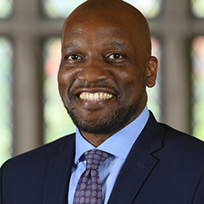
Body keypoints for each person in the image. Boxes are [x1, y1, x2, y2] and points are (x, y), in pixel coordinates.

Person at [1, 0, 204, 203]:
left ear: (150, 72)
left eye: (114, 56)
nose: (90, 75)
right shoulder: (15, 178)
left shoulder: (197, 171)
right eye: (74, 57)